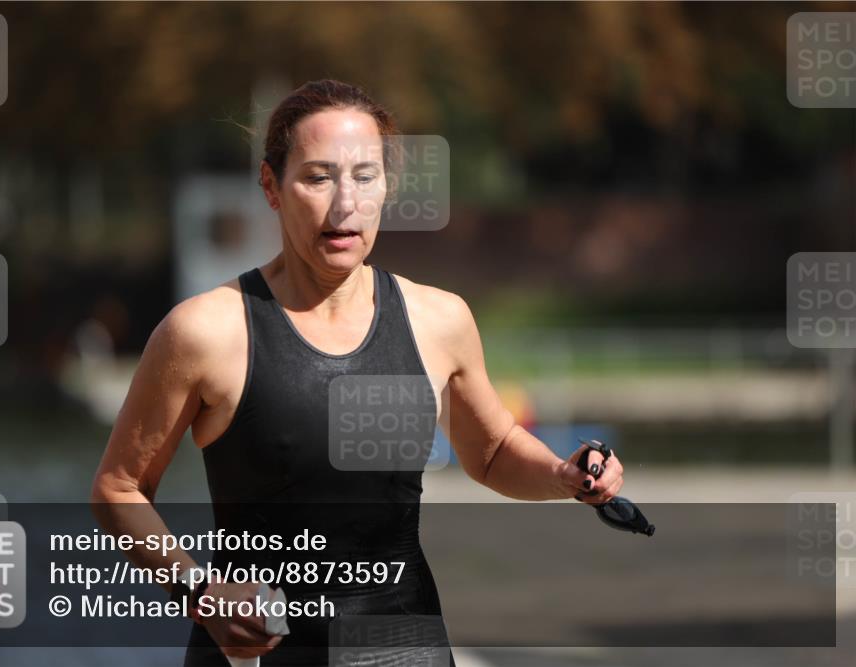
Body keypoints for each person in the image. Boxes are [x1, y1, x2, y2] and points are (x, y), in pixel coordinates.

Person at [91, 79, 624, 666]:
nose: (344, 203)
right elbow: (119, 489)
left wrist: (564, 474)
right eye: (318, 177)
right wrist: (200, 591)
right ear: (271, 186)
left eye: (364, 177)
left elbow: (492, 451)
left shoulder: (438, 319)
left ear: (387, 187)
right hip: (256, 651)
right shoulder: (204, 332)